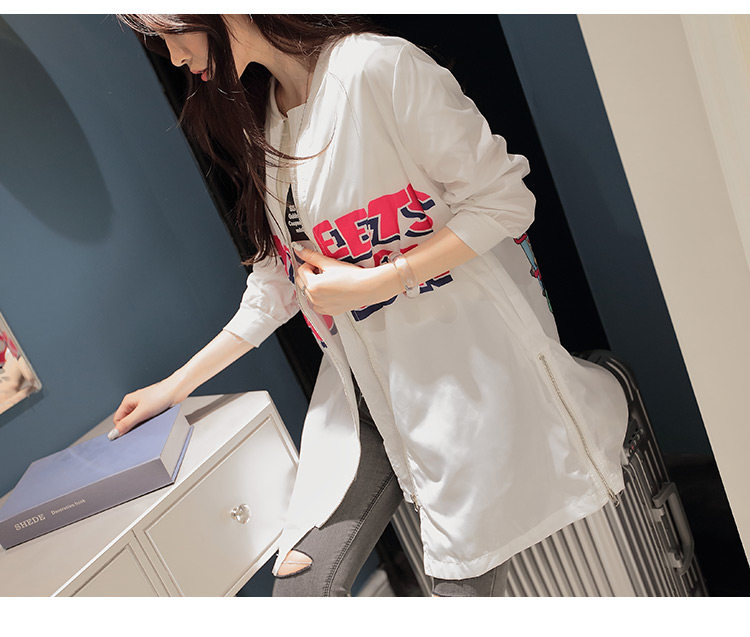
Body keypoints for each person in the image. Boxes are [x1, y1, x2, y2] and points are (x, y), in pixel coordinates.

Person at [110, 14, 629, 597]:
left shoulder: (379, 68)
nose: (175, 58)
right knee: (301, 594)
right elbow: (278, 281)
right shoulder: (267, 122)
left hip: (456, 375)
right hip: (363, 388)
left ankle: (607, 388)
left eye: (172, 35)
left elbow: (503, 201)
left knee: (461, 585)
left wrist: (379, 282)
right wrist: (174, 387)